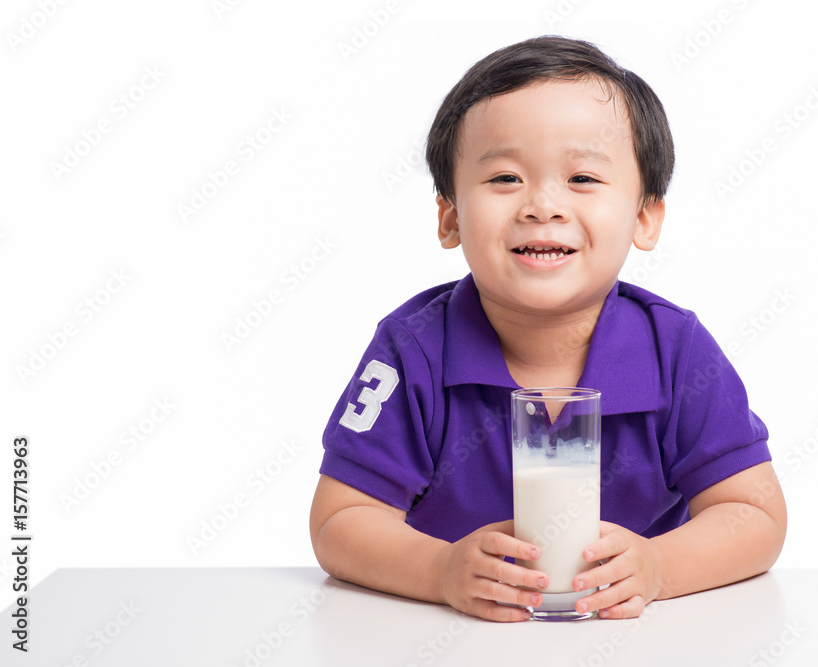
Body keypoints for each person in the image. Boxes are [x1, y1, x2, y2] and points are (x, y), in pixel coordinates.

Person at [309, 35, 786, 622]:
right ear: (451, 216)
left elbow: (755, 514)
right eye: (505, 178)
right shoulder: (412, 351)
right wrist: (438, 571)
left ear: (644, 216)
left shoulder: (674, 350)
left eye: (583, 179)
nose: (543, 205)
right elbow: (339, 519)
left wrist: (661, 567)